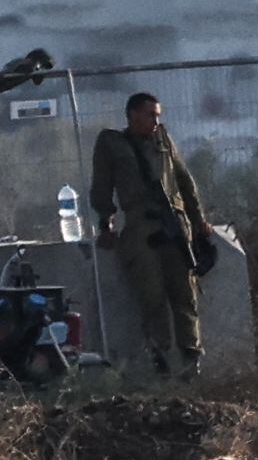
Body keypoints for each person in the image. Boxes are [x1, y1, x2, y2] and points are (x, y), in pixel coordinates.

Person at [87, 89, 217, 377]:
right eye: (150, 115)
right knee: (152, 294)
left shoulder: (163, 141)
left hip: (174, 224)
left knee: (184, 292)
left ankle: (191, 357)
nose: (155, 121)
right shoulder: (113, 144)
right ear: (133, 115)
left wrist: (198, 221)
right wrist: (105, 223)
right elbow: (102, 186)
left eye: (158, 116)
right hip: (141, 227)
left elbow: (184, 180)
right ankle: (160, 357)